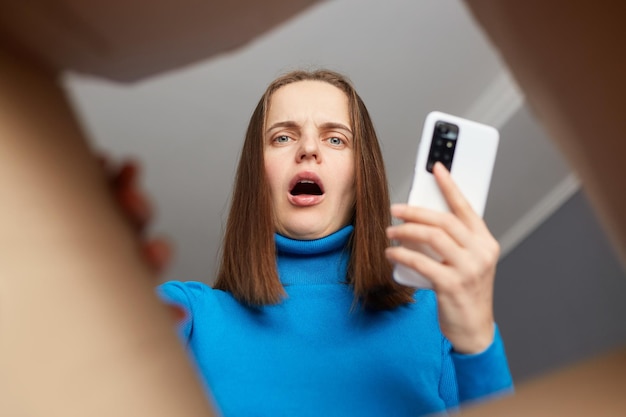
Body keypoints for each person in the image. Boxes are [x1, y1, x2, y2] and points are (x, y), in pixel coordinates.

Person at [118, 69, 513, 416]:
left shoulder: (437, 324)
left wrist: (478, 340)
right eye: (283, 137)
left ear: (362, 178)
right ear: (258, 175)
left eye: (336, 139)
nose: (308, 149)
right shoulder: (187, 315)